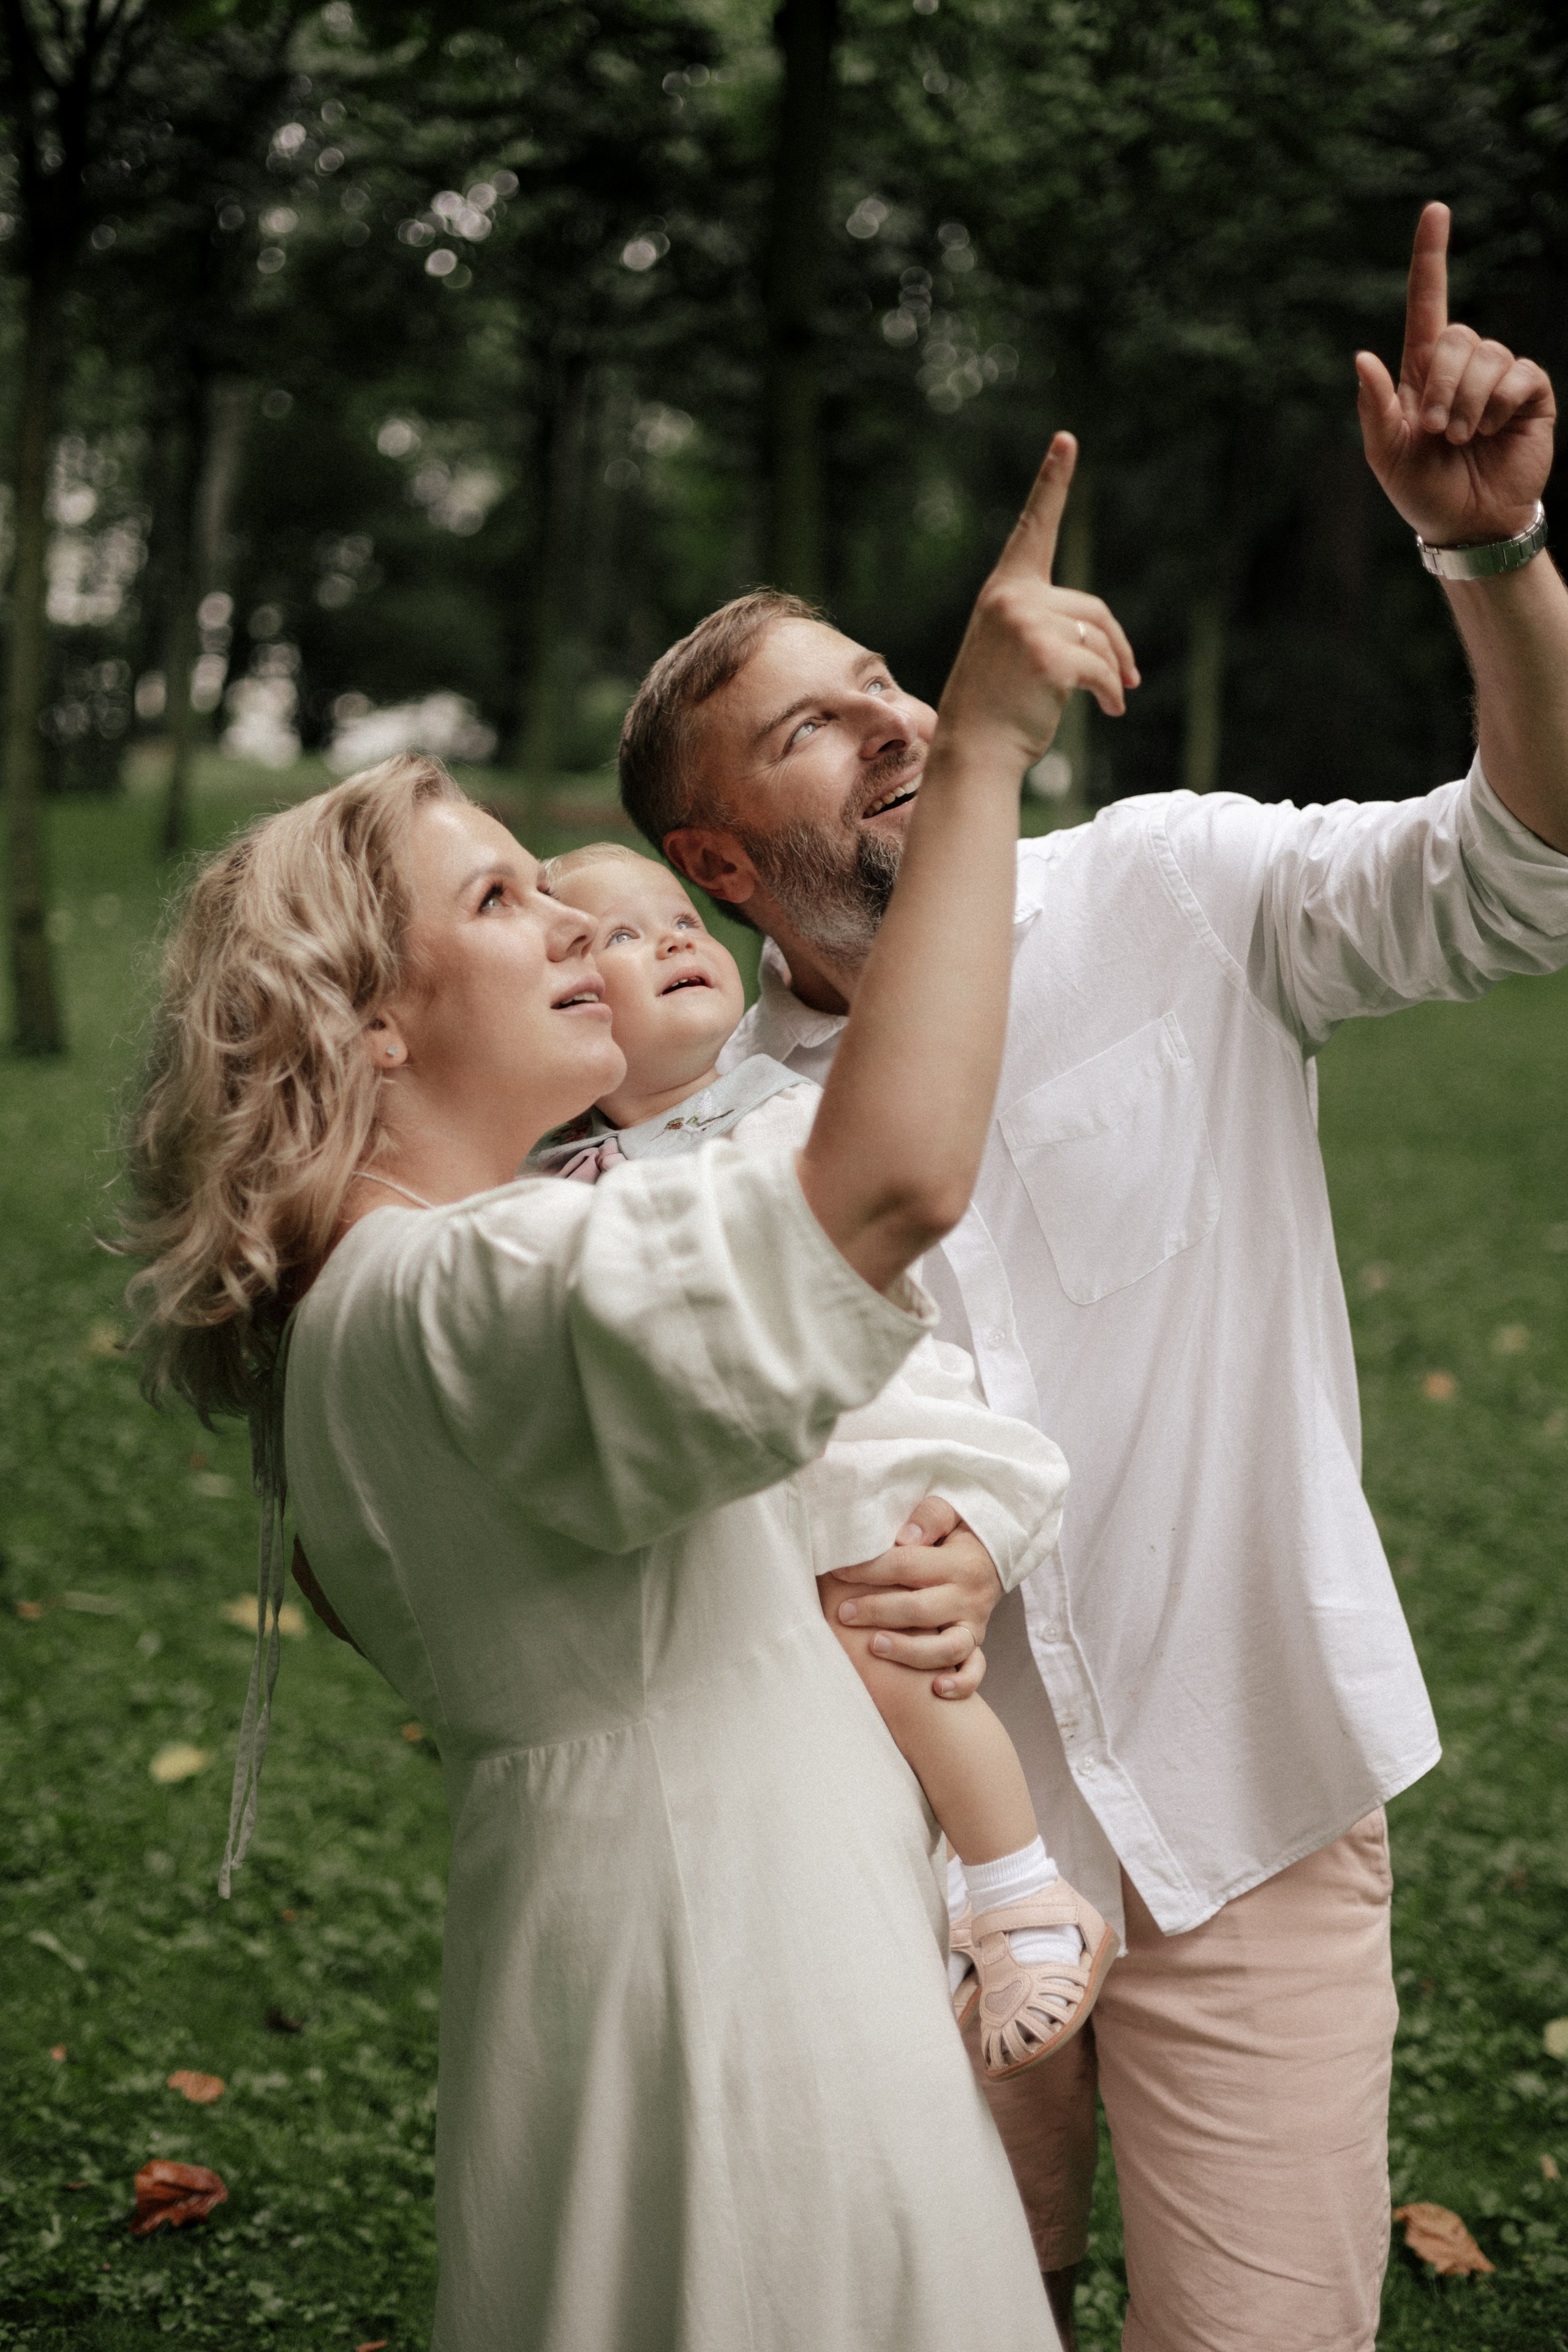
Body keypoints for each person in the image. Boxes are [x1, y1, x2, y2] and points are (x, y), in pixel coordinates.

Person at [614, 202, 1568, 2352]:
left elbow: (1533, 879)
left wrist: (1492, 564)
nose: (883, 720)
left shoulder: (1174, 889)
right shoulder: (689, 1147)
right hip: (889, 1877)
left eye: (883, 681)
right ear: (716, 864)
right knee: (948, 2322)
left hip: (1250, 1789)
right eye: (807, 729)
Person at [121, 432, 1139, 2352]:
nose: (586, 934)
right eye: (508, 905)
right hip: (733, 1996)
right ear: (374, 1022)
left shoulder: (394, 1297)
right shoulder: (470, 1287)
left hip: (642, 1953)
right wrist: (983, 754)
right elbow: (891, 1184)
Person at [532, 840, 1118, 2074]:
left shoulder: (791, 1111)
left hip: (870, 1436)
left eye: (676, 919)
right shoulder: (554, 1179)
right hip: (748, 1474)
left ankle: (1019, 1891)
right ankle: (942, 1909)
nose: (677, 940)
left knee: (888, 1644)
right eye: (620, 941)